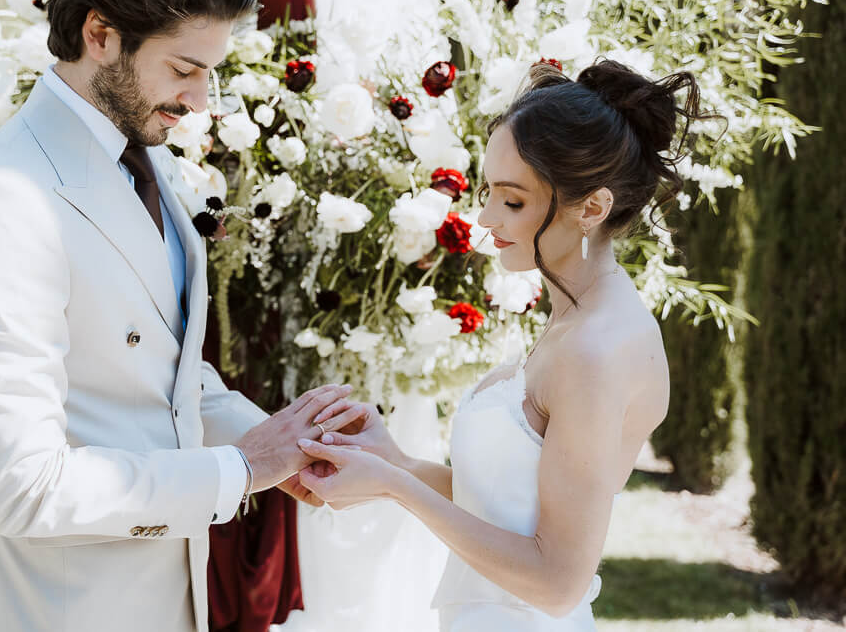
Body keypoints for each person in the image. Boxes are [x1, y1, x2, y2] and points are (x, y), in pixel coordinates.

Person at [0, 0, 361, 630]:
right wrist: (240, 469)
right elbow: (25, 487)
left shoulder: (139, 153)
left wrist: (285, 441)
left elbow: (162, 373)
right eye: (185, 67)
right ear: (100, 33)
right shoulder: (6, 202)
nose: (200, 99)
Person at [298, 59, 719, 631]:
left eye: (513, 201)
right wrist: (391, 462)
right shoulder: (576, 319)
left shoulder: (597, 350)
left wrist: (393, 487)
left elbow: (557, 581)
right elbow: (506, 508)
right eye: (488, 191)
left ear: (590, 208)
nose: (486, 217)